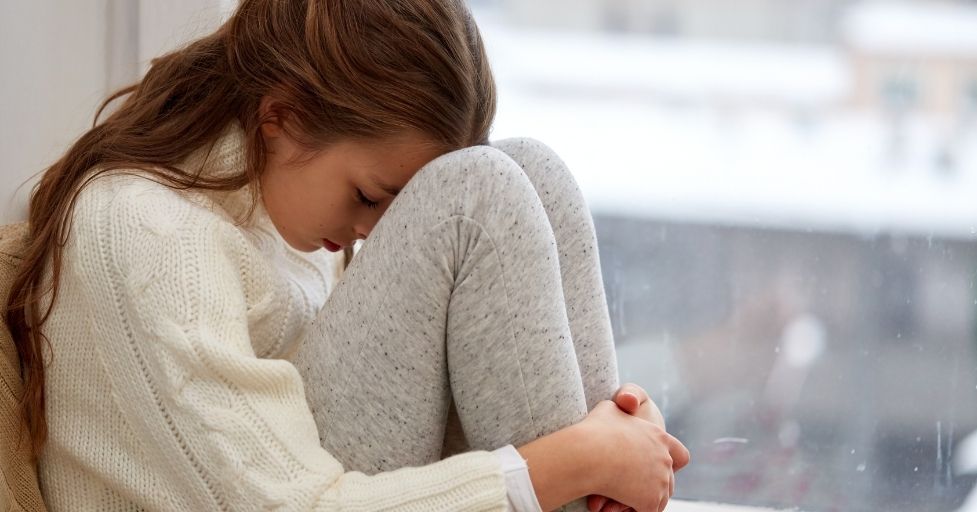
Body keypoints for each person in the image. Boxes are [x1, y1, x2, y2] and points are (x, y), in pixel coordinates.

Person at [5, 0, 690, 511]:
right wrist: (569, 461)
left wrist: (611, 437)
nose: (369, 234)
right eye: (368, 195)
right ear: (282, 116)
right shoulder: (144, 231)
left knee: (530, 170)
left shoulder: (281, 206)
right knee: (474, 195)